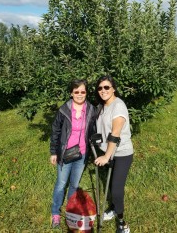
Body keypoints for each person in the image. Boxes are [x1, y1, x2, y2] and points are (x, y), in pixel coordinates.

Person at [50, 79, 96, 228]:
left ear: (86, 93)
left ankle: (71, 211)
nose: (80, 94)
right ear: (71, 93)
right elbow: (55, 132)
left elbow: (94, 130)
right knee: (61, 184)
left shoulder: (90, 110)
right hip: (64, 154)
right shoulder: (64, 110)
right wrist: (53, 152)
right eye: (76, 92)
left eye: (83, 91)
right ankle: (55, 212)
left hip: (81, 154)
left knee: (74, 185)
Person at [94, 75, 133, 233]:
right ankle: (113, 208)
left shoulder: (118, 106)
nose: (103, 91)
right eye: (100, 88)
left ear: (113, 89)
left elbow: (115, 133)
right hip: (109, 152)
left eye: (106, 87)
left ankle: (123, 223)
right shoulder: (103, 106)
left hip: (122, 153)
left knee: (116, 190)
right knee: (111, 185)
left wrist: (106, 156)